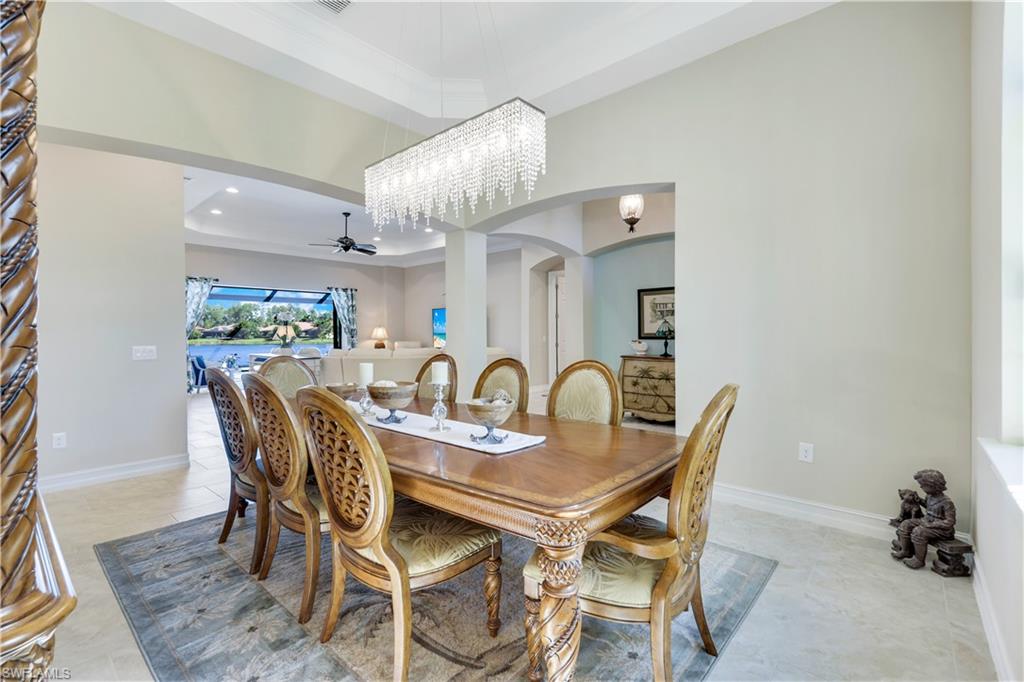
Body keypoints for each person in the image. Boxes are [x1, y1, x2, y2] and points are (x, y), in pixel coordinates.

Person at [890, 469, 956, 569]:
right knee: (905, 524)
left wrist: (931, 525)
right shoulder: (929, 496)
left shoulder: (946, 502)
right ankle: (905, 551)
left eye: (923, 485)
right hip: (927, 521)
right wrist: (919, 500)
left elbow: (949, 522)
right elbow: (928, 506)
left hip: (943, 530)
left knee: (919, 532)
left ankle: (919, 560)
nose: (921, 487)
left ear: (933, 485)